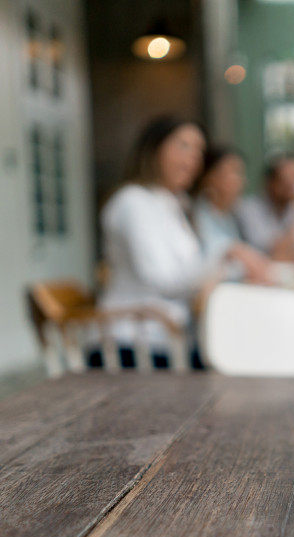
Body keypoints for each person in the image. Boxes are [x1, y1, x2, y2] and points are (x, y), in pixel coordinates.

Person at [94, 116, 261, 369]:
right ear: (154, 149)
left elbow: (192, 271)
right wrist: (225, 252)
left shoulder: (173, 204)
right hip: (134, 343)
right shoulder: (133, 201)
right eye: (183, 146)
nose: (193, 158)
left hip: (169, 338)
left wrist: (230, 266)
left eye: (198, 151)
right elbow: (162, 279)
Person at [193, 146, 272, 282]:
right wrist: (235, 252)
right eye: (235, 172)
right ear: (210, 177)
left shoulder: (229, 216)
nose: (242, 181)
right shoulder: (196, 215)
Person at [235, 156, 294, 265]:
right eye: (286, 181)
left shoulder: (293, 208)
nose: (293, 187)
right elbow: (273, 253)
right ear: (270, 183)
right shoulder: (249, 209)